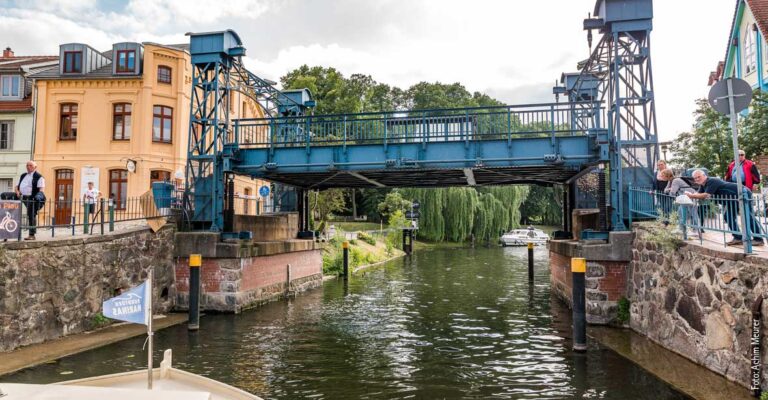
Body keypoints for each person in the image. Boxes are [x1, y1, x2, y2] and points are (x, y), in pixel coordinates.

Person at [686, 169, 764, 247]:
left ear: (704, 175)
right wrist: (690, 194)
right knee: (727, 216)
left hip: (742, 193)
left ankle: (758, 239)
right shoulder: (703, 185)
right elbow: (698, 194)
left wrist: (691, 195)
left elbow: (706, 195)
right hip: (731, 200)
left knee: (748, 216)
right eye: (695, 178)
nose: (697, 179)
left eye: (698, 177)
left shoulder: (711, 181)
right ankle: (738, 237)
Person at [661, 169, 702, 238]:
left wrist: (670, 190)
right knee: (680, 212)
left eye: (662, 175)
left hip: (691, 196)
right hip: (685, 198)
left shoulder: (675, 180)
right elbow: (665, 190)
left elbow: (672, 193)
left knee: (694, 214)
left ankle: (697, 231)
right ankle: (681, 229)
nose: (661, 177)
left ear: (667, 175)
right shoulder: (670, 181)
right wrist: (670, 189)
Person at [15, 160, 45, 240]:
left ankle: (32, 234)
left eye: (30, 165)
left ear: (35, 167)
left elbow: (41, 190)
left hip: (33, 198)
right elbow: (17, 186)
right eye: (27, 165)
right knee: (7, 198)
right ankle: (8, 232)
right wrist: (17, 192)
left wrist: (37, 197)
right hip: (23, 197)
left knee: (31, 214)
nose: (28, 167)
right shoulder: (23, 175)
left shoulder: (39, 177)